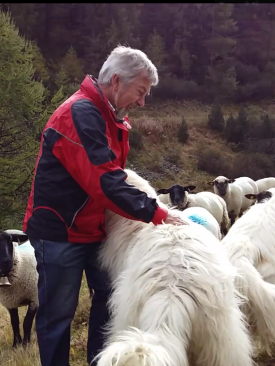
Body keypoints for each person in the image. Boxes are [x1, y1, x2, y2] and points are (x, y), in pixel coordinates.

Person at [23, 45, 190, 366]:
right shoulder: (79, 113)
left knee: (109, 301)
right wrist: (157, 213)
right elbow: (104, 180)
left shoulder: (103, 114)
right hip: (61, 231)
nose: (142, 101)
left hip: (94, 229)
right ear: (116, 80)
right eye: (140, 91)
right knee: (58, 315)